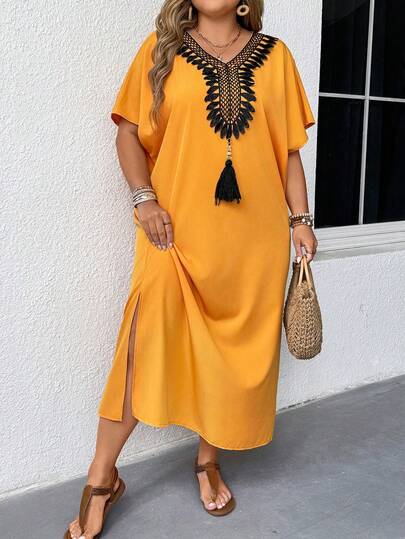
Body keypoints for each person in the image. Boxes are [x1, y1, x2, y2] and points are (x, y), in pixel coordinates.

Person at [64, 0, 318, 537]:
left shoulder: (276, 57)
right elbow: (128, 132)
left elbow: (289, 152)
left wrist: (300, 219)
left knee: (231, 355)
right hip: (174, 237)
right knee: (141, 346)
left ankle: (208, 461)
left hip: (253, 244)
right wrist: (144, 199)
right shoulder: (161, 51)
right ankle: (102, 476)